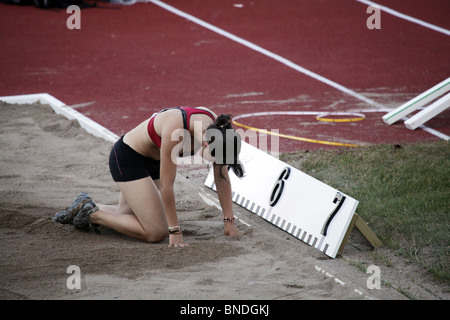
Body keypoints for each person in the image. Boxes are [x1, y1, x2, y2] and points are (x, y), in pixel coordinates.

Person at [54, 106, 244, 247]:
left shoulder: (218, 130)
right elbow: (167, 187)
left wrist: (229, 221)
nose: (216, 164)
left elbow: (221, 176)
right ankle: (92, 215)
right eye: (214, 159)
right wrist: (175, 231)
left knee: (126, 218)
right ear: (205, 144)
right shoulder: (176, 132)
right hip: (129, 158)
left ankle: (84, 203)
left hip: (155, 161)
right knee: (156, 232)